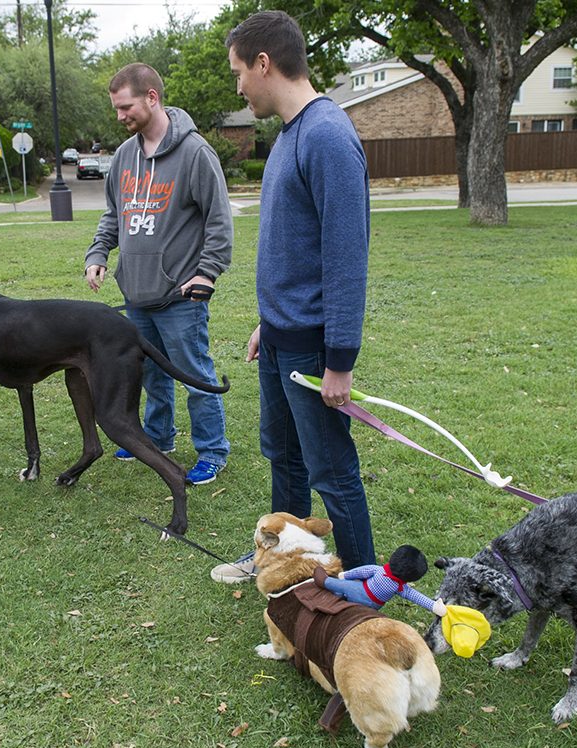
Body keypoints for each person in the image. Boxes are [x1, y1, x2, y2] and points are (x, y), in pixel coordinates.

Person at [211, 11, 376, 583]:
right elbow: (292, 250)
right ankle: (283, 559)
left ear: (264, 64)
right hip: (280, 339)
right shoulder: (287, 137)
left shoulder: (327, 135)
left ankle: (362, 586)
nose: (238, 86)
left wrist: (340, 361)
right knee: (283, 458)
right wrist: (267, 323)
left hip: (313, 351)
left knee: (331, 471)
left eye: (238, 72)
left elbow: (346, 259)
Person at [85, 63, 233, 486]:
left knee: (194, 374)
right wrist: (98, 252)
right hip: (136, 294)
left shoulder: (195, 153)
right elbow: (114, 215)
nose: (119, 116)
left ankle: (212, 450)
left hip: (179, 296)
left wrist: (207, 273)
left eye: (125, 106)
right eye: (115, 108)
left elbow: (219, 222)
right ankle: (158, 436)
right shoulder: (124, 157)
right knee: (149, 373)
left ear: (152, 97)